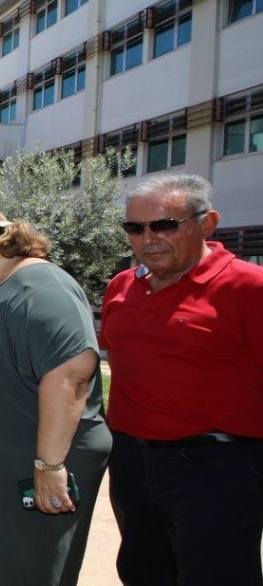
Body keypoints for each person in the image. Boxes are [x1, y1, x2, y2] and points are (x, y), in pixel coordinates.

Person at [0, 202, 110, 586]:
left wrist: (48, 466)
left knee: (31, 566)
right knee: (2, 565)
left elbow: (71, 378)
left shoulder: (44, 289)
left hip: (34, 462)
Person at [100, 174, 263, 586]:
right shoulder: (122, 286)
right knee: (143, 570)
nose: (148, 239)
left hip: (217, 467)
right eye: (134, 228)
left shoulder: (249, 287)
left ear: (207, 224)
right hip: (132, 461)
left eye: (164, 225)